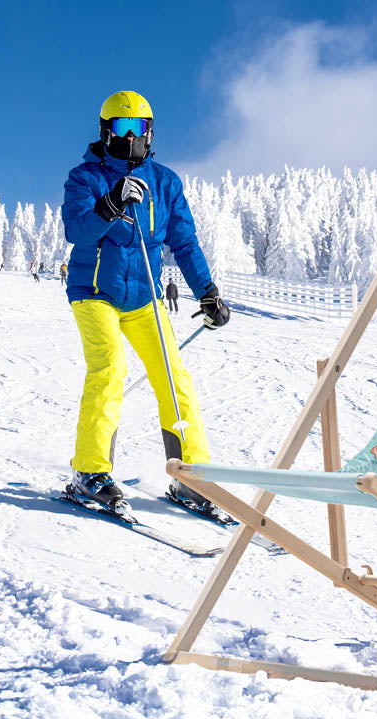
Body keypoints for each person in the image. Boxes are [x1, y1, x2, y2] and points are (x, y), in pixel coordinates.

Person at [62, 90, 230, 512]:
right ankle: (89, 471)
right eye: (124, 128)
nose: (133, 136)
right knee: (110, 369)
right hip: (95, 294)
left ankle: (189, 475)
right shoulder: (85, 178)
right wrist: (111, 203)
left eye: (141, 128)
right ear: (107, 131)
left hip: (145, 300)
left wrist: (207, 292)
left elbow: (184, 242)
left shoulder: (166, 183)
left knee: (174, 378)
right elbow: (77, 231)